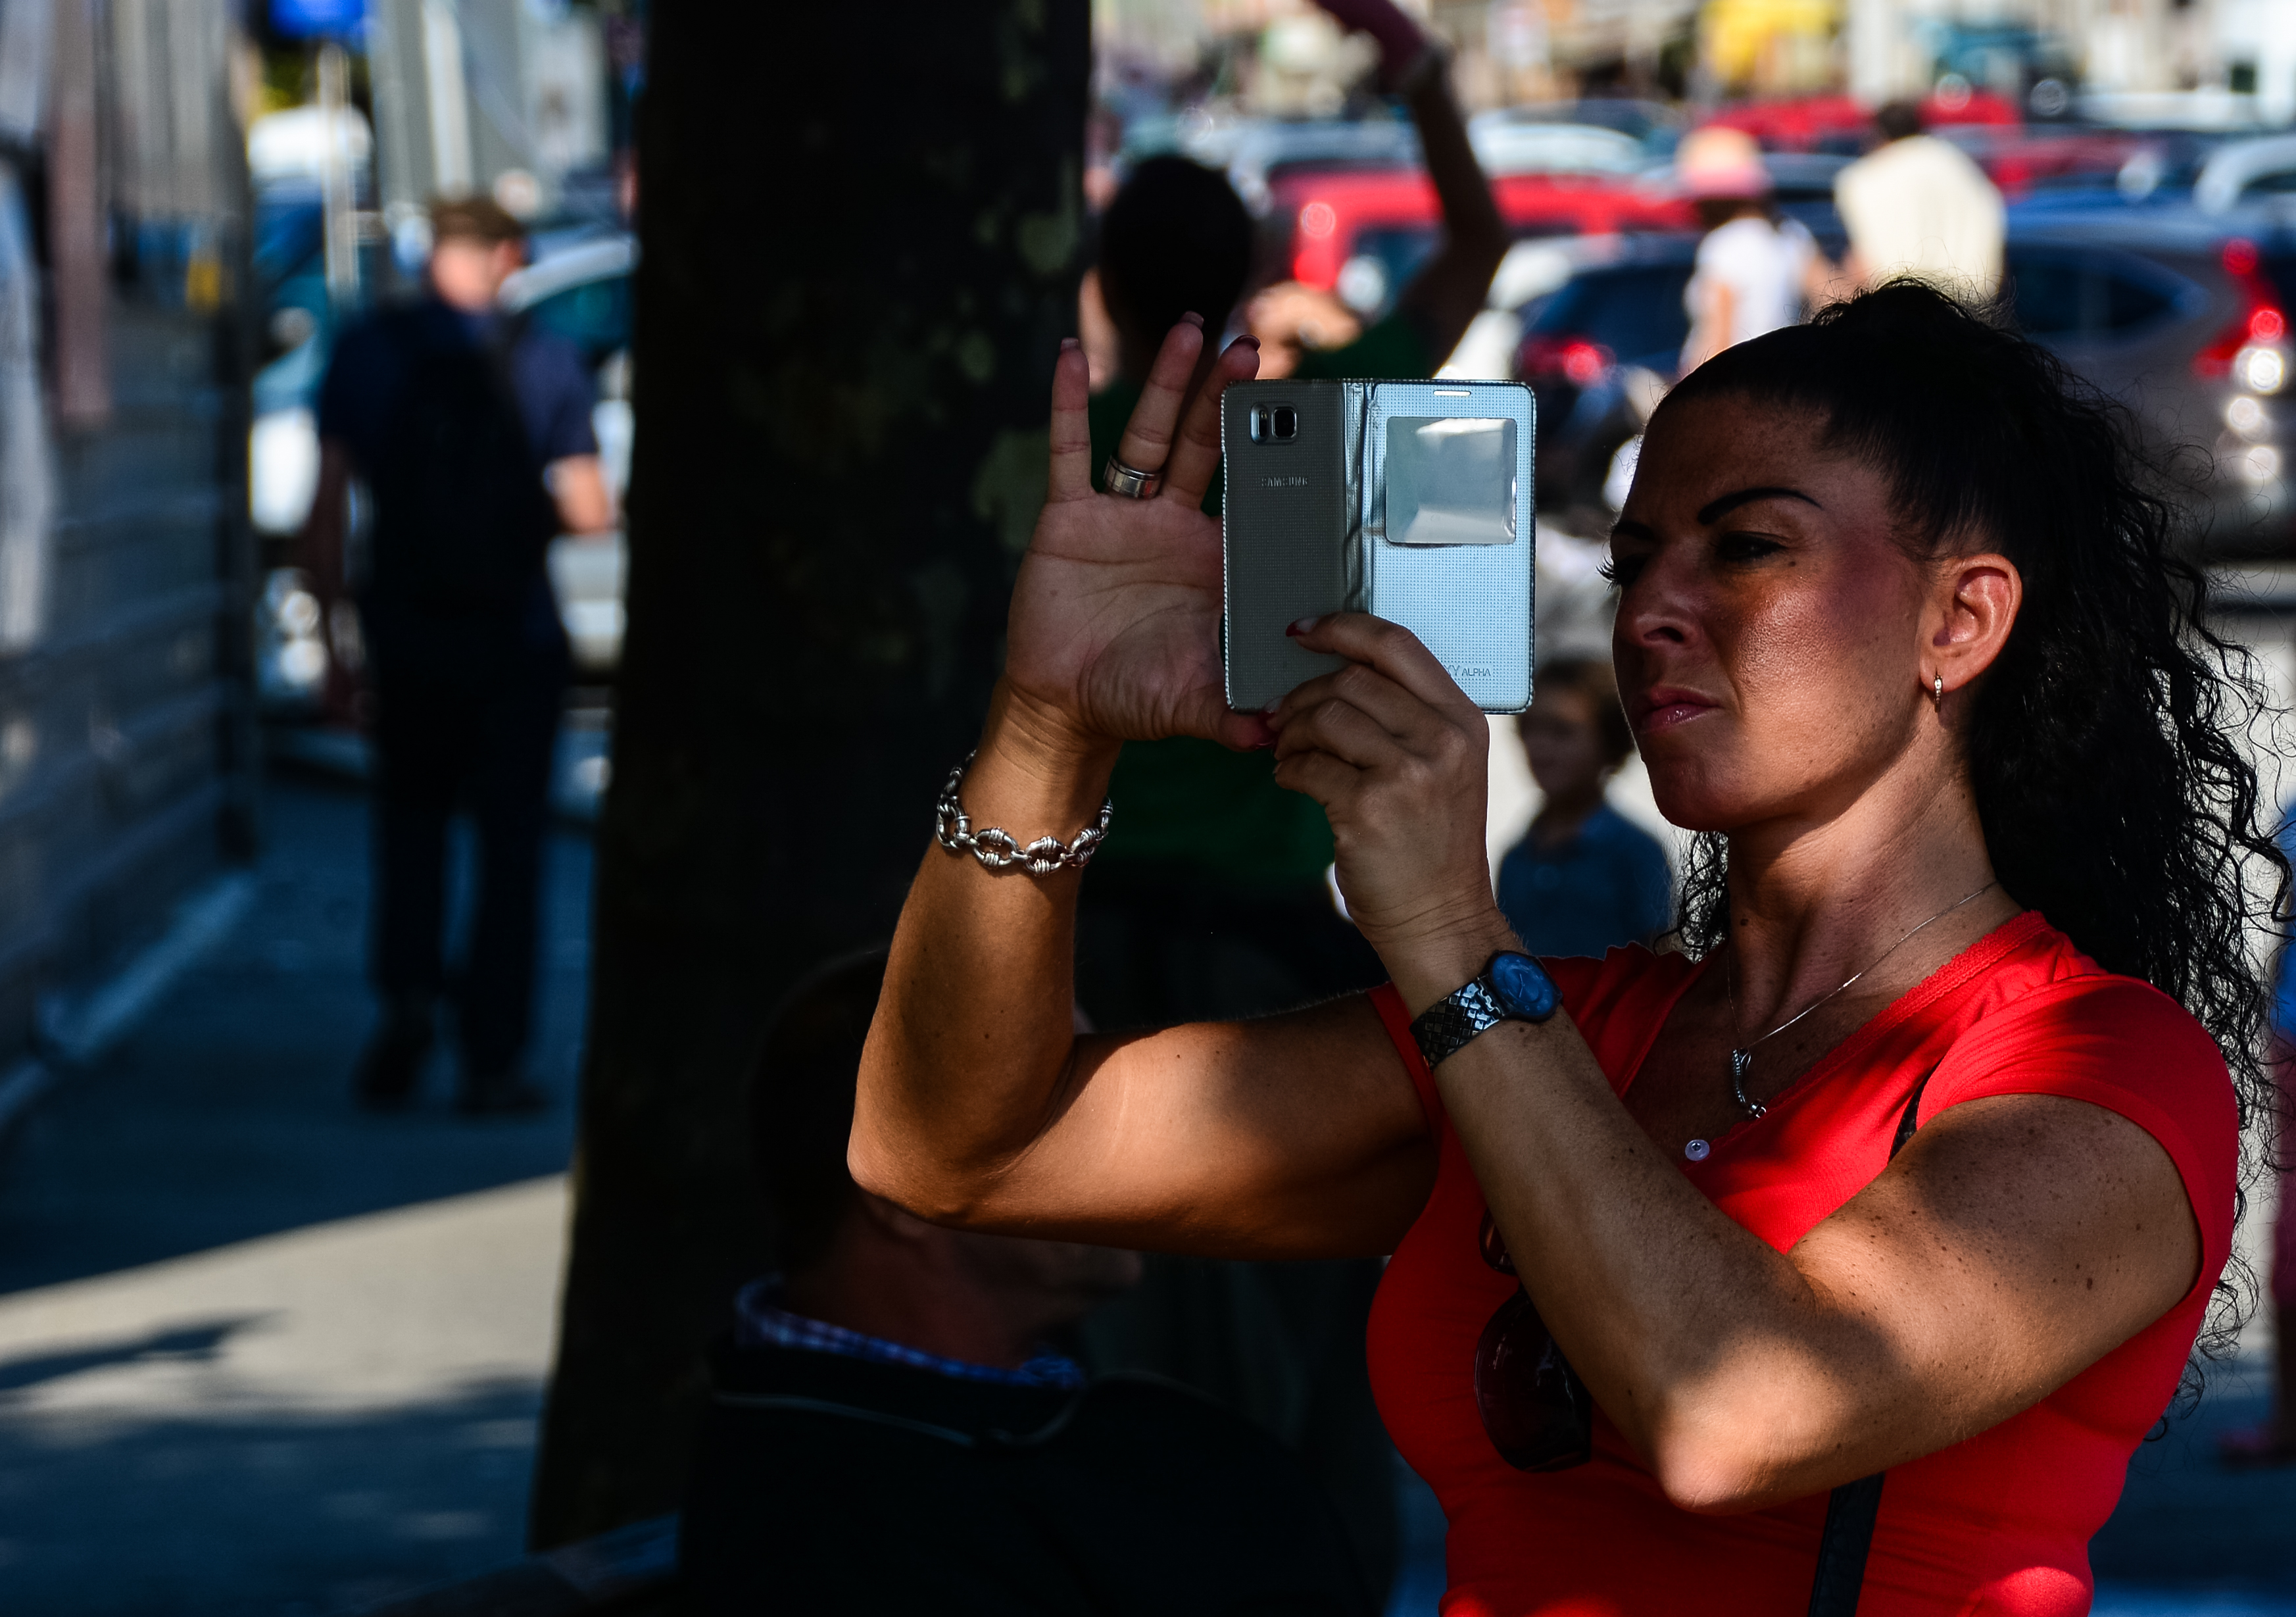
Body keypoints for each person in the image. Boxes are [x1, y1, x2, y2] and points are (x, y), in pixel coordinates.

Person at [850, 282, 2284, 1613]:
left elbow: (1733, 1410)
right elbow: (956, 1151)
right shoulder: (1563, 1031)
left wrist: (1445, 928)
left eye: (1745, 547)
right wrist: (1047, 728)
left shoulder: (2100, 1062)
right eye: (1633, 559)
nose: (1648, 611)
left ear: (1959, 619)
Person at [1069, 0, 1508, 1593]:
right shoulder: (1319, 437)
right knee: (1309, 1338)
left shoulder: (1050, 466)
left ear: (1105, 282)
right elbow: (1475, 242)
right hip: (1273, 966)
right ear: (1255, 267)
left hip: (1082, 961)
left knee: (1107, 1331)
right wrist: (1409, 59)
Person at [678, 949, 1377, 1616]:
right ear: (899, 1192)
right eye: (1057, 1099)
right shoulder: (834, 1525)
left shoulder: (971, 1435)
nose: (1124, 1135)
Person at [301, 196, 614, 1114]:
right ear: (508, 255)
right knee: (511, 849)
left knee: (410, 829)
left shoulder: (368, 352)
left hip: (406, 633)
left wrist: (332, 644)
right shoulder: (546, 357)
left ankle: (407, 1001)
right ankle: (492, 1055)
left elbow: (326, 514)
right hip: (516, 637)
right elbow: (590, 509)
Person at [1496, 657, 1671, 958]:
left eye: (1561, 731)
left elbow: (1661, 957)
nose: (1541, 747)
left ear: (1609, 740)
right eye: (1530, 729)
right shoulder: (1516, 857)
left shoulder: (1636, 851)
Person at [1674, 125, 1819, 374]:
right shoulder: (1791, 235)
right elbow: (1832, 295)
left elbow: (1718, 344)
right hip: (1781, 375)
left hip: (1734, 382)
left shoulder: (1723, 246)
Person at [1832, 99, 2005, 304]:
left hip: (1897, 307)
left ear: (1877, 134)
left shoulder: (1862, 180)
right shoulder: (1958, 165)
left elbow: (1864, 263)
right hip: (1971, 306)